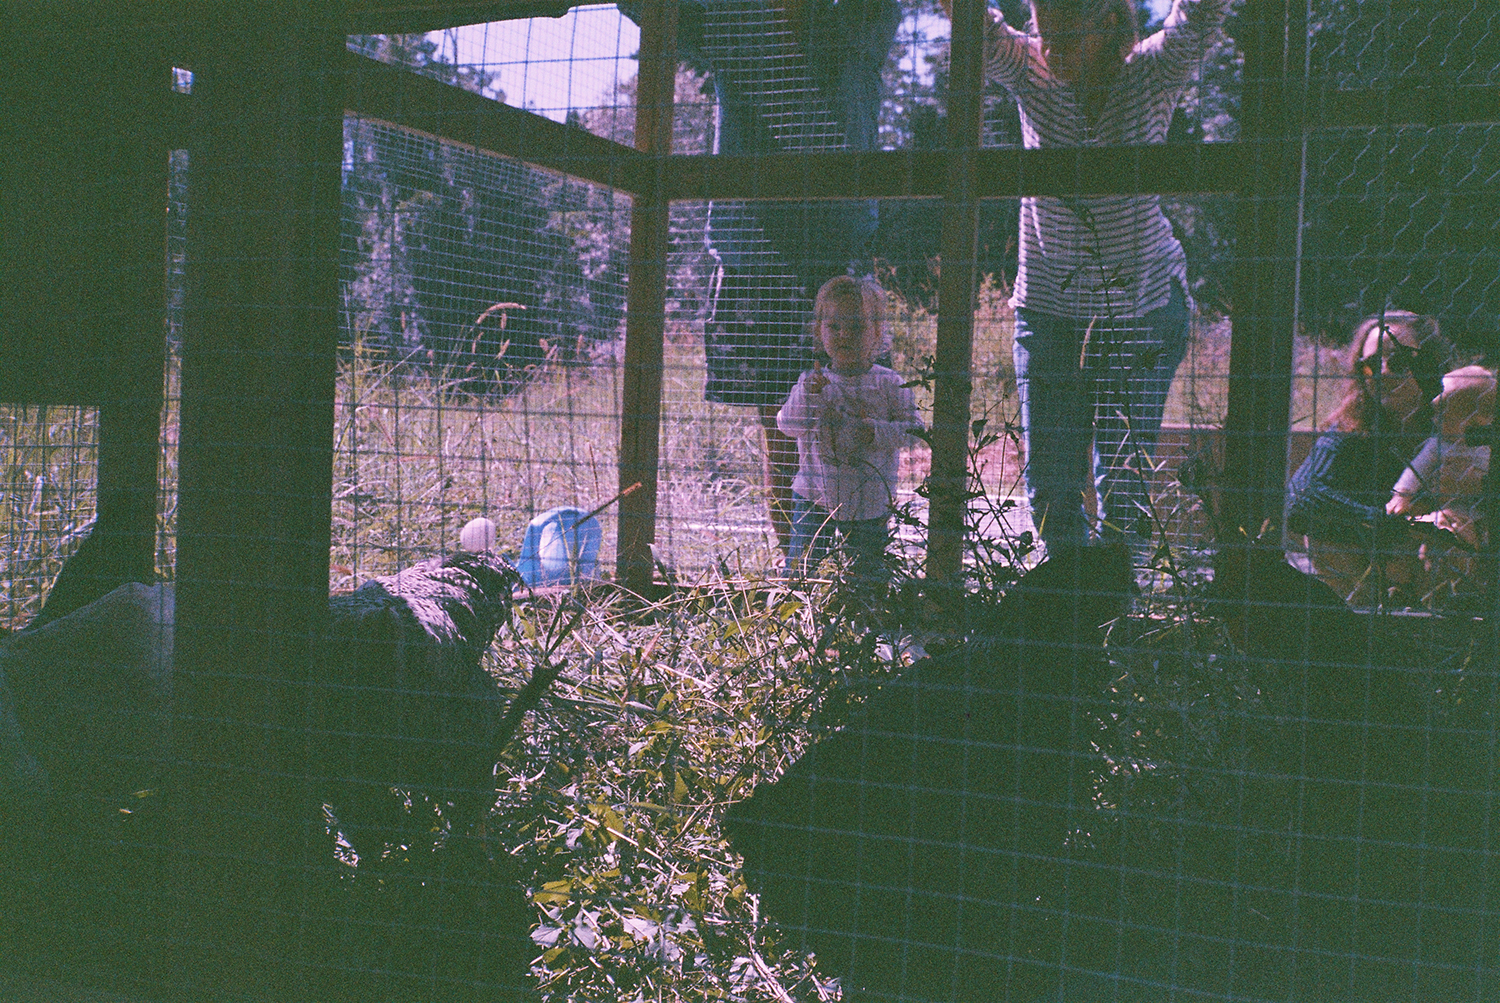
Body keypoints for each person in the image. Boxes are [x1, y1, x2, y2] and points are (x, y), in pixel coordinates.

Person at [954, 0, 1231, 548]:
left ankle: (1117, 597)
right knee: (1050, 487)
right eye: (1044, 34)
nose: (1050, 50)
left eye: (1066, 37)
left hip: (1142, 307)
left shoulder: (1151, 73)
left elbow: (1198, 20)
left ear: (1107, 23)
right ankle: (1066, 594)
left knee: (1123, 484)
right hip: (1048, 311)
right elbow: (980, 29)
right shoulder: (1032, 72)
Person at [1284, 311, 1453, 605]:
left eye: (1398, 362)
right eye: (1372, 365)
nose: (1383, 372)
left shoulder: (1461, 420)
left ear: (1429, 363)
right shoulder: (1353, 426)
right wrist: (1388, 523)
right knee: (1320, 534)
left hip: (1442, 553)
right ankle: (1367, 619)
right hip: (1377, 552)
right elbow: (1300, 497)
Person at [777, 276, 921, 579]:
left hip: (869, 499)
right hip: (815, 496)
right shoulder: (811, 382)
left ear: (877, 332)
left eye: (856, 327)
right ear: (819, 331)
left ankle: (867, 607)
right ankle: (796, 603)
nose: (844, 335)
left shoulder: (889, 383)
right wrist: (807, 395)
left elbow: (915, 431)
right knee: (802, 569)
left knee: (866, 574)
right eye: (834, 326)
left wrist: (876, 431)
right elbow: (787, 426)